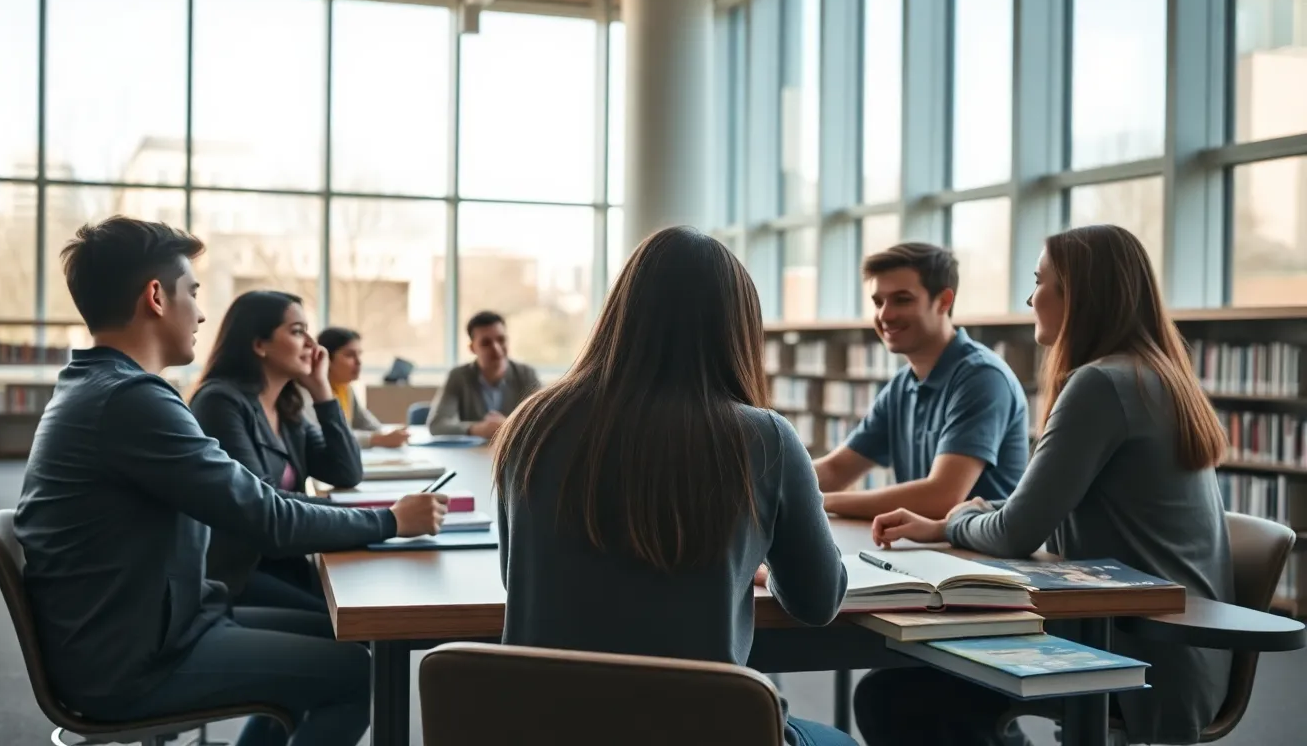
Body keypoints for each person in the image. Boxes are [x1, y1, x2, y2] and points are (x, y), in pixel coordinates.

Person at [13, 216, 448, 746]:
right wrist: (390, 521)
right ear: (156, 297)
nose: (200, 313)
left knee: (347, 641)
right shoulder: (130, 400)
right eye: (192, 293)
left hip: (157, 625)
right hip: (135, 660)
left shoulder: (100, 386)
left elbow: (273, 497)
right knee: (356, 675)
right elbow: (265, 514)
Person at [858, 224, 1234, 746]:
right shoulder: (1150, 373)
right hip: (1176, 645)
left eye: (1039, 282)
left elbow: (1016, 532)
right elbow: (1041, 506)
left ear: (1078, 293)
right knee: (905, 690)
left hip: (1135, 654)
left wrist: (958, 519)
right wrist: (951, 522)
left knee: (895, 697)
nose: (1031, 298)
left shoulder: (1100, 384)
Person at [493, 225, 856, 746]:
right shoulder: (765, 438)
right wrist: (757, 558)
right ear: (736, 331)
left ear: (620, 314)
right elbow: (818, 601)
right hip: (705, 730)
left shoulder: (531, 424)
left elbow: (517, 577)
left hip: (546, 729)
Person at [813, 242, 1031, 520]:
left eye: (902, 300)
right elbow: (836, 470)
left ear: (944, 301)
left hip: (975, 547)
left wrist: (820, 501)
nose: (885, 315)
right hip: (923, 543)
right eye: (878, 302)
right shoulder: (902, 385)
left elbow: (941, 497)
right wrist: (768, 482)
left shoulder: (983, 378)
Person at [188, 291, 367, 614]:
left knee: (359, 605)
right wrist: (377, 517)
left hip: (284, 562)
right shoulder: (219, 403)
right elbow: (266, 504)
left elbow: (346, 470)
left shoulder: (287, 406)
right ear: (260, 344)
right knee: (349, 626)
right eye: (298, 331)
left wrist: (323, 393)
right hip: (238, 573)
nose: (313, 345)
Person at [427, 310, 542, 438]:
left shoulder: (526, 374)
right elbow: (437, 425)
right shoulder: (458, 376)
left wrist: (506, 426)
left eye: (501, 340)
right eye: (486, 343)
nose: (496, 348)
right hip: (474, 450)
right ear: (472, 348)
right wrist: (476, 429)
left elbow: (543, 421)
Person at [309, 326, 410, 449]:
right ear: (326, 359)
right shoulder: (313, 392)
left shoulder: (345, 388)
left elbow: (364, 421)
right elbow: (327, 436)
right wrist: (376, 439)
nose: (358, 362)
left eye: (359, 354)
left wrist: (388, 435)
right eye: (350, 355)